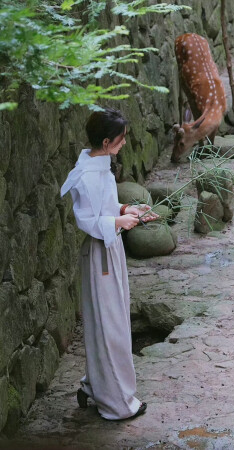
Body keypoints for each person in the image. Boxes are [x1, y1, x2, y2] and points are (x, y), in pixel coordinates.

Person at [60, 108, 158, 420]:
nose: (124, 143)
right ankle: (116, 402)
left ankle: (93, 386)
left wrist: (130, 208)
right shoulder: (88, 174)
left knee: (111, 320)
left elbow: (105, 206)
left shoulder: (98, 165)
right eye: (121, 139)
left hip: (109, 247)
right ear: (106, 141)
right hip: (101, 251)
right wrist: (120, 220)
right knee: (110, 325)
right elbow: (88, 219)